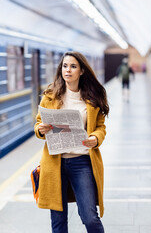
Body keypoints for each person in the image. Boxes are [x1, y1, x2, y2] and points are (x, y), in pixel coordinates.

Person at [34, 51, 109, 233]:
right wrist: (41, 130)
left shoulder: (91, 98)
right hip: (54, 162)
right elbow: (38, 124)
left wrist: (95, 138)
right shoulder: (50, 96)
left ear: (82, 71)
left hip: (82, 162)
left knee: (90, 217)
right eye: (65, 66)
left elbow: (100, 126)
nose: (68, 70)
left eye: (73, 66)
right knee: (58, 221)